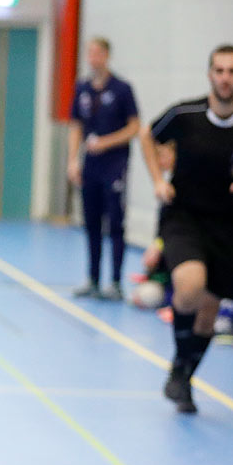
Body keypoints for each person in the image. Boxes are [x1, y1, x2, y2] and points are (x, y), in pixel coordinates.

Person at [139, 44, 233, 413]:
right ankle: (179, 368)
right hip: (184, 217)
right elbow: (146, 135)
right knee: (189, 286)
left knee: (207, 312)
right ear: (209, 75)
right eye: (219, 70)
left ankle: (183, 375)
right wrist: (159, 179)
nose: (225, 78)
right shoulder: (185, 114)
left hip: (229, 227)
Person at [67, 36, 141, 300]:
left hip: (115, 165)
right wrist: (73, 160)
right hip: (91, 166)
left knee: (116, 223)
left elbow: (134, 127)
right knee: (91, 222)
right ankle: (93, 279)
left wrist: (106, 143)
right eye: (90, 53)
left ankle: (117, 282)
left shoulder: (122, 89)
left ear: (107, 56)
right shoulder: (83, 88)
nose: (93, 58)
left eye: (98, 53)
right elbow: (76, 125)